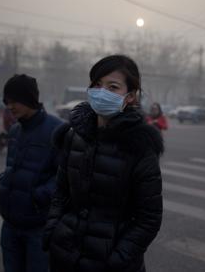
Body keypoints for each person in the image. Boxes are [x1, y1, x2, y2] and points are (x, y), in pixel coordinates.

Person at [43, 55, 164, 272]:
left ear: (130, 96)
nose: (101, 92)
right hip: (64, 256)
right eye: (97, 85)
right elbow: (61, 192)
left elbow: (149, 219)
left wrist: (117, 259)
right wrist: (53, 230)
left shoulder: (140, 148)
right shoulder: (73, 136)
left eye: (113, 87)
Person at [0, 74, 63, 272]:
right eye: (7, 101)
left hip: (38, 228)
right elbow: (10, 167)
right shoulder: (15, 131)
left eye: (14, 100)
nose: (9, 106)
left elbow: (65, 177)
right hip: (9, 225)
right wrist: (3, 182)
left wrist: (39, 197)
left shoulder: (57, 130)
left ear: (29, 99)